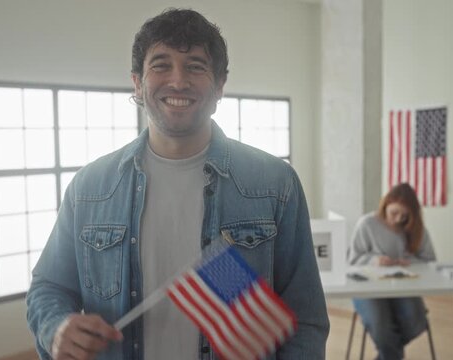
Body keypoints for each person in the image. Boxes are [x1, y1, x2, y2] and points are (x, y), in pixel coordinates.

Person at [26, 8, 329, 360]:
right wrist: (55, 327)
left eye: (196, 66)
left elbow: (305, 320)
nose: (178, 81)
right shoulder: (91, 188)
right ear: (137, 83)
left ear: (219, 87)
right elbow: (48, 288)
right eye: (160, 65)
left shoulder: (274, 183)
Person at [347, 183, 436, 360]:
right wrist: (375, 261)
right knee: (382, 328)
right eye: (394, 213)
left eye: (404, 216)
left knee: (416, 322)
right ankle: (391, 354)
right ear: (385, 204)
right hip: (367, 288)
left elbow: (430, 261)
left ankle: (388, 354)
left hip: (401, 287)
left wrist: (409, 262)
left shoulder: (415, 229)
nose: (398, 219)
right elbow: (352, 260)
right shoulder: (367, 224)